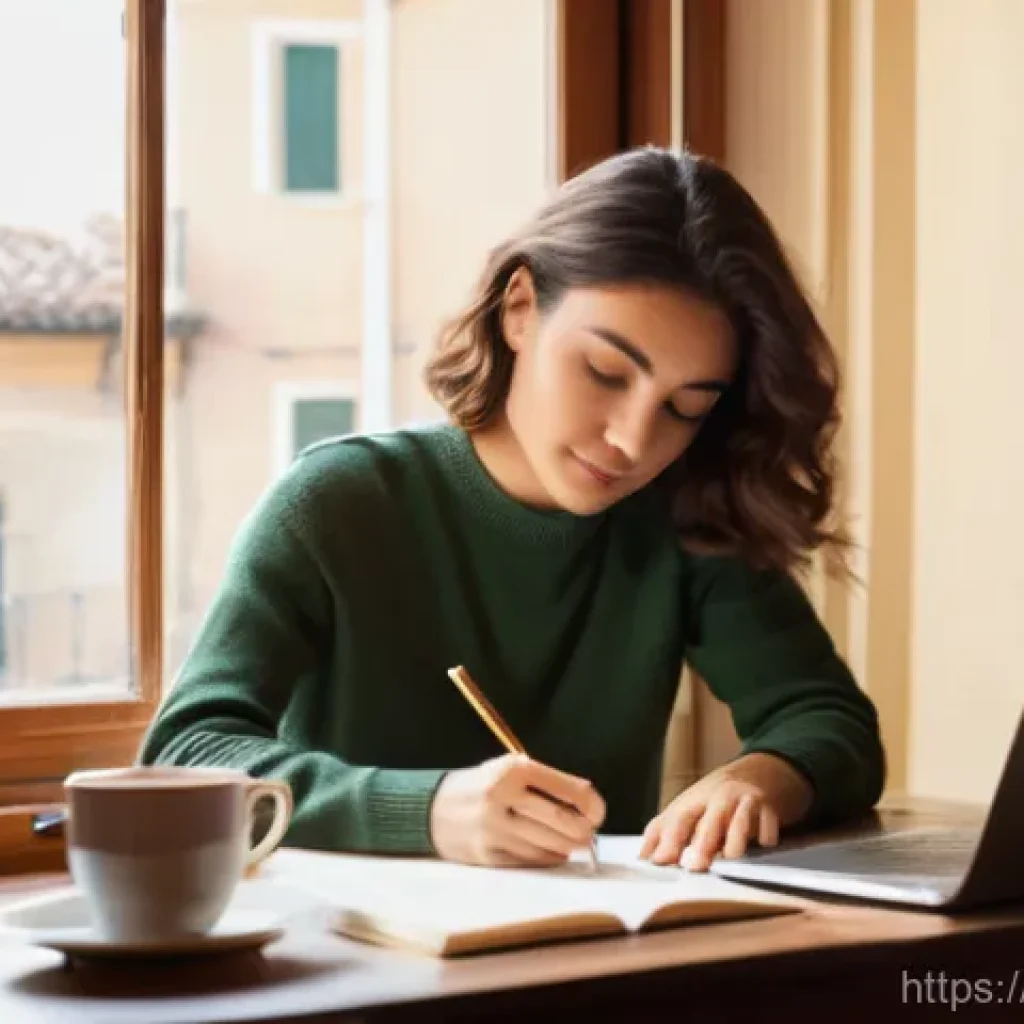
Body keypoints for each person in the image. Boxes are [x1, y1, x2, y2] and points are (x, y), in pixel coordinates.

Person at [138, 146, 885, 874]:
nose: (632, 439)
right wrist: (424, 810)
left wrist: (762, 777)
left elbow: (831, 723)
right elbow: (184, 757)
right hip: (355, 965)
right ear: (520, 310)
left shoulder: (681, 521)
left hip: (595, 953)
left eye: (685, 408)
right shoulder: (338, 503)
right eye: (604, 372)